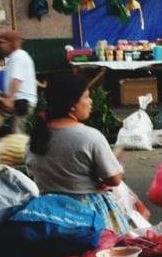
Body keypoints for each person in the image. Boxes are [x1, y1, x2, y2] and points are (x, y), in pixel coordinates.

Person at [26, 72, 131, 232]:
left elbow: (33, 174)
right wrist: (117, 162)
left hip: (48, 213)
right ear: (72, 104)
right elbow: (114, 180)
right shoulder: (89, 136)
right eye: (87, 97)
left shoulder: (35, 138)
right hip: (87, 213)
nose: (90, 102)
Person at [0, 30, 37, 115]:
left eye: (2, 43)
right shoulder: (16, 56)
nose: (0, 46)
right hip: (19, 102)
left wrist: (10, 98)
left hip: (21, 103)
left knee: (15, 128)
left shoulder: (18, 56)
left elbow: (17, 79)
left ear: (11, 43)